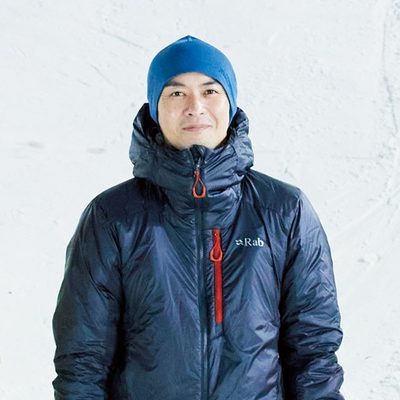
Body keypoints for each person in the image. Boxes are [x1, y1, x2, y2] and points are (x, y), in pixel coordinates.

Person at [52, 35, 344, 399]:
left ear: (230, 103)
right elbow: (83, 359)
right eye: (176, 93)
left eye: (210, 91)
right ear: (156, 109)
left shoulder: (284, 210)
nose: (195, 106)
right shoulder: (112, 217)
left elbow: (315, 350)